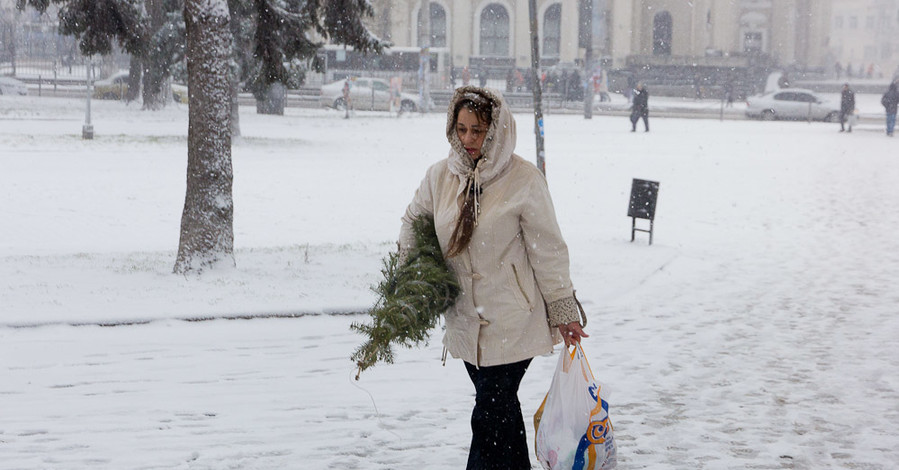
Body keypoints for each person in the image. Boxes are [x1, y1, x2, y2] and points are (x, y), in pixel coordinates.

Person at [398, 86, 588, 470]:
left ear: (496, 131)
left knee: (490, 408)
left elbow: (547, 250)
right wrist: (413, 273)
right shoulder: (440, 177)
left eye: (478, 131)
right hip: (466, 320)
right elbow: (413, 223)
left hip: (512, 319)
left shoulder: (524, 180)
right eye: (463, 129)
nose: (468, 139)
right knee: (498, 412)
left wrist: (563, 308)